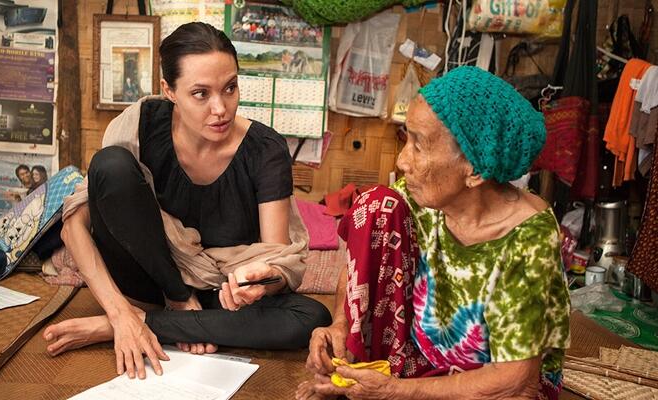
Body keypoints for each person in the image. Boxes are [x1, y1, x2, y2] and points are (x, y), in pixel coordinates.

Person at [42, 22, 331, 380]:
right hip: (146, 282)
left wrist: (259, 280)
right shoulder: (140, 125)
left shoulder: (265, 150)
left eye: (230, 88)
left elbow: (277, 263)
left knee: (311, 319)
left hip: (217, 295)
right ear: (170, 90)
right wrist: (120, 311)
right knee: (110, 166)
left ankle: (147, 324)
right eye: (200, 93)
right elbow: (74, 229)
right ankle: (167, 311)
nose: (220, 108)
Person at [298, 66, 570, 400]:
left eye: (418, 145)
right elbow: (361, 262)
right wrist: (341, 323)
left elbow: (514, 381)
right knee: (376, 206)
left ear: (474, 170)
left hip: (495, 386)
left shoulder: (528, 238)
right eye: (406, 138)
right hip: (423, 362)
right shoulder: (422, 198)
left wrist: (395, 391)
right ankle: (359, 363)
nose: (402, 160)